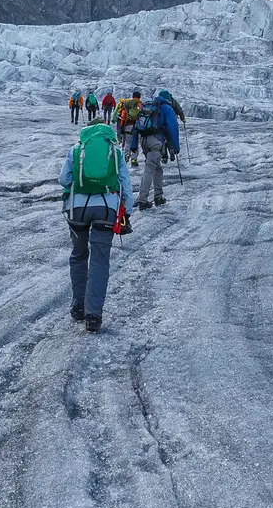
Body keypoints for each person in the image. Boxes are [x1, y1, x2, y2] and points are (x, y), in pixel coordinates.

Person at [58, 122, 131, 332]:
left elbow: (64, 179)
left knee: (79, 255)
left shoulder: (76, 150)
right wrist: (127, 212)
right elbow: (125, 183)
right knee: (100, 260)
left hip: (77, 210)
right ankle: (93, 315)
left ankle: (78, 305)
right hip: (106, 209)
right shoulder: (115, 152)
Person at [130, 88, 182, 209]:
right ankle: (142, 199)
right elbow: (172, 128)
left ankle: (158, 196)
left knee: (157, 169)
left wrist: (134, 145)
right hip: (156, 142)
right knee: (149, 169)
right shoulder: (166, 108)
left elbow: (136, 126)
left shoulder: (148, 106)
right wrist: (176, 146)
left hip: (144, 140)